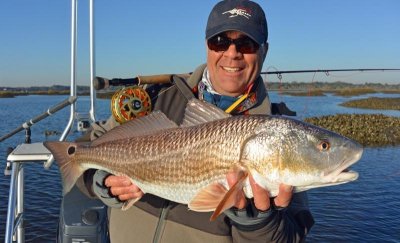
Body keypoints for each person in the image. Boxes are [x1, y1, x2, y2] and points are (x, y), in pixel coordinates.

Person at [79, 0, 314, 242]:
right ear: (207, 46)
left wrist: (259, 223)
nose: (232, 54)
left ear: (264, 51)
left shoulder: (280, 134)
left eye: (246, 43)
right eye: (220, 41)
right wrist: (101, 180)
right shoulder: (155, 97)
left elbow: (289, 236)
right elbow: (80, 153)